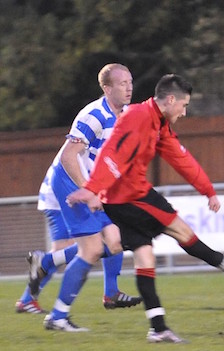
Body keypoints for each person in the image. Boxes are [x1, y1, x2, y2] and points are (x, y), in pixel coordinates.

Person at [67, 74, 224, 343]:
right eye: (183, 106)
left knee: (145, 259)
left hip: (120, 199)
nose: (184, 112)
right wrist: (93, 188)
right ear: (170, 100)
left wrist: (207, 190)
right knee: (181, 230)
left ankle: (158, 328)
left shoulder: (157, 123)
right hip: (131, 196)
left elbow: (181, 158)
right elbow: (111, 153)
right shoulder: (138, 117)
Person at [18, 64, 142, 331]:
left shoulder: (126, 115)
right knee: (93, 248)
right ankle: (56, 316)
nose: (129, 87)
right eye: (122, 83)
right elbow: (67, 157)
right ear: (107, 89)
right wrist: (90, 190)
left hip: (92, 185)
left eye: (130, 82)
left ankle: (47, 263)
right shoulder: (94, 115)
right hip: (68, 182)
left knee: (116, 240)